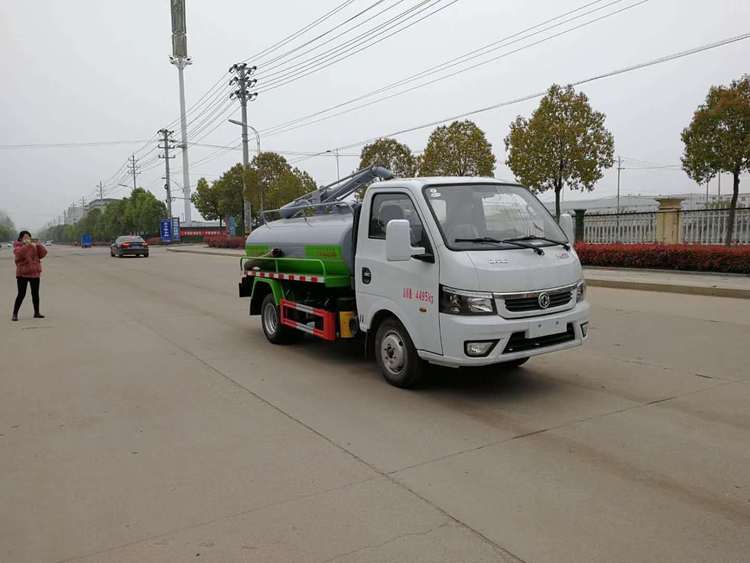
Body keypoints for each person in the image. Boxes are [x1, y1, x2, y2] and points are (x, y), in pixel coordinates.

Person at [12, 231, 47, 321]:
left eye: (29, 237)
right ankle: (15, 314)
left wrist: (39, 245)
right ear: (20, 238)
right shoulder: (17, 246)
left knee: (35, 294)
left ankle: (37, 312)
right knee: (21, 294)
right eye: (25, 237)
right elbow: (18, 255)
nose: (27, 239)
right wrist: (26, 245)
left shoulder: (34, 246)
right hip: (22, 273)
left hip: (35, 273)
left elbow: (43, 254)